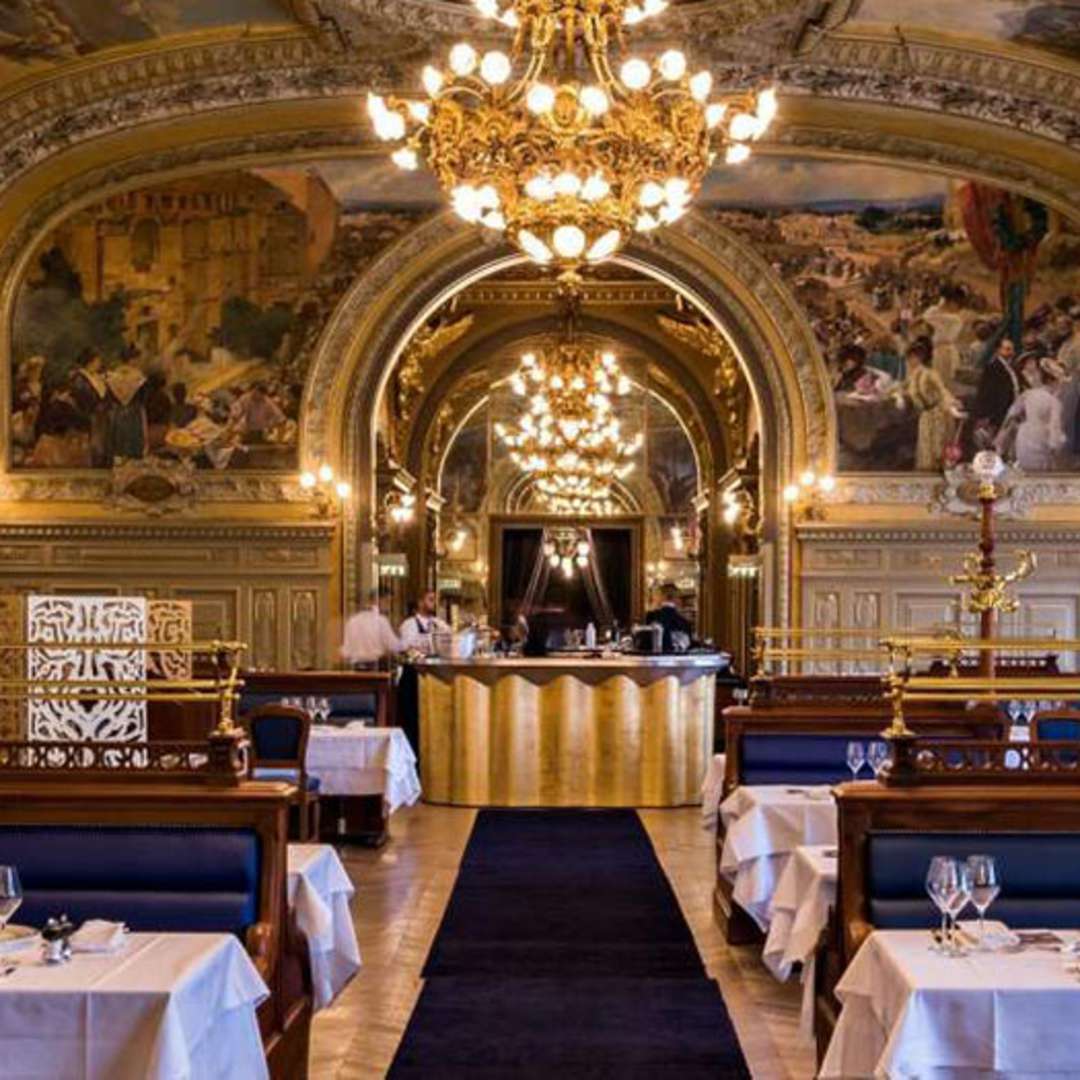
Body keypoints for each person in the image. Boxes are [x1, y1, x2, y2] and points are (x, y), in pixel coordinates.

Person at [898, 337, 966, 471]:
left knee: (937, 448)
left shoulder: (930, 374)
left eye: (912, 358)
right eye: (909, 358)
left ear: (919, 358)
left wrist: (953, 406)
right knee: (925, 448)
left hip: (938, 415)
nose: (910, 361)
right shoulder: (913, 374)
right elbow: (903, 387)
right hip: (925, 415)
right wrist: (897, 395)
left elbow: (943, 391)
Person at [340, 590, 403, 667]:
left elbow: (346, 651)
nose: (389, 606)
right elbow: (393, 646)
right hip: (376, 666)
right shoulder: (381, 620)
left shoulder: (352, 620)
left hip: (356, 668)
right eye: (387, 601)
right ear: (376, 601)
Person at [644, 583, 693, 654]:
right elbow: (688, 648)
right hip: (678, 662)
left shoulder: (650, 617)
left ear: (661, 596)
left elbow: (646, 643)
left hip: (653, 661)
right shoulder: (684, 622)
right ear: (676, 598)